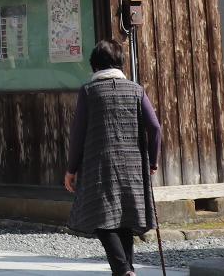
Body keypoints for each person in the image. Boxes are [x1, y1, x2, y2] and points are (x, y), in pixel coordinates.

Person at [64, 37, 162, 276]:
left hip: (99, 166)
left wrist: (71, 169)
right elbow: (155, 128)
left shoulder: (89, 91)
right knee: (124, 219)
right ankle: (125, 270)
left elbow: (78, 134)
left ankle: (123, 270)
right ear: (120, 64)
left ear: (95, 65)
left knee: (101, 219)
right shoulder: (137, 90)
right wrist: (152, 161)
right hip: (133, 166)